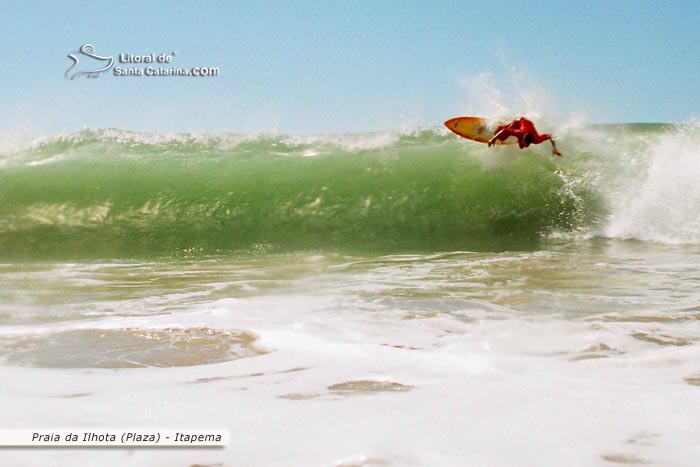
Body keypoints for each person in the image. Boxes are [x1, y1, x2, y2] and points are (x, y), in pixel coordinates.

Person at [487, 117, 562, 157]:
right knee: (502, 137)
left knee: (521, 147)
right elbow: (505, 131)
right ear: (523, 139)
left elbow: (550, 136)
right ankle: (502, 126)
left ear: (530, 142)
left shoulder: (537, 139)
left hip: (528, 123)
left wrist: (554, 149)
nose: (526, 146)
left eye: (527, 144)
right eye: (525, 143)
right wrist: (492, 139)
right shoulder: (520, 133)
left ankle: (508, 126)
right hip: (519, 121)